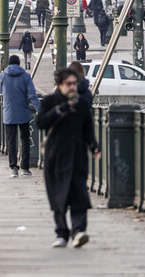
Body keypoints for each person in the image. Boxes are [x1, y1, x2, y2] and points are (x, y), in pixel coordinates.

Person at [38, 67, 101, 248]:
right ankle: (62, 233)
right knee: (58, 196)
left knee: (79, 194)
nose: (73, 87)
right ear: (60, 85)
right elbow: (41, 122)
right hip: (56, 156)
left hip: (77, 155)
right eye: (69, 84)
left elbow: (87, 127)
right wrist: (62, 108)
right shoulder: (50, 101)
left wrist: (94, 146)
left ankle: (79, 231)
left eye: (75, 83)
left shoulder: (81, 103)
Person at [2, 54, 40, 178]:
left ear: (9, 63)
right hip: (23, 112)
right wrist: (40, 109)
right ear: (19, 64)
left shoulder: (3, 76)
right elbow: (32, 95)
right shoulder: (26, 76)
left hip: (9, 113)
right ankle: (25, 167)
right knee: (25, 140)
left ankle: (13, 167)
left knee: (11, 140)